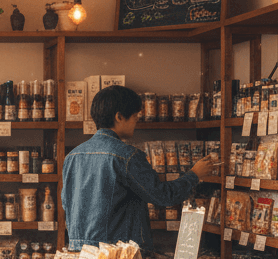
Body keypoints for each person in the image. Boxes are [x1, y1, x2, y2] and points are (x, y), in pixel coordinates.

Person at [62, 85, 218, 249]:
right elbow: (161, 196)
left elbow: (67, 203)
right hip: (118, 254)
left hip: (80, 252)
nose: (137, 122)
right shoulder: (127, 156)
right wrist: (194, 175)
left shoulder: (72, 156)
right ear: (119, 117)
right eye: (135, 117)